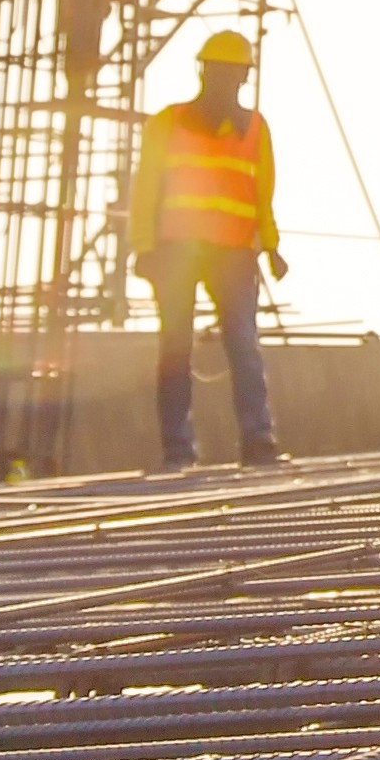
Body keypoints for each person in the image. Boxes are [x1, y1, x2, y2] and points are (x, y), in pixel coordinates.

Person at [124, 28, 286, 473]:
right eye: (220, 72)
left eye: (235, 74)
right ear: (204, 72)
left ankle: (258, 441)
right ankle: (177, 450)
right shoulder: (168, 122)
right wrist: (143, 246)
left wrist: (271, 247)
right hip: (175, 253)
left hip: (233, 255)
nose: (227, 81)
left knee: (244, 346)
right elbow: (146, 190)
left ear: (243, 79)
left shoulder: (255, 128)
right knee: (175, 347)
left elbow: (261, 196)